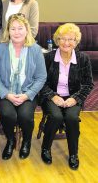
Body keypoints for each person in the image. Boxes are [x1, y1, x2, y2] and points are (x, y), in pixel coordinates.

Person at [40, 23, 93, 170]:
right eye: (63, 39)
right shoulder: (48, 58)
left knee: (71, 118)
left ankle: (73, 154)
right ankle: (45, 148)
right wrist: (52, 96)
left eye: (71, 39)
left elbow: (88, 84)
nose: (66, 43)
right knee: (56, 117)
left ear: (76, 42)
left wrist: (75, 99)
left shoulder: (83, 59)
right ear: (57, 40)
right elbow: (40, 82)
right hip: (52, 97)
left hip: (73, 97)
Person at [0, 13, 46, 160]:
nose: (16, 32)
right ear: (8, 31)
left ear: (26, 30)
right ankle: (10, 141)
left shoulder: (35, 49)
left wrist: (27, 95)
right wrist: (7, 94)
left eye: (20, 28)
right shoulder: (0, 49)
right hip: (4, 92)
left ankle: (27, 142)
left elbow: (41, 77)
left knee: (25, 116)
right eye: (13, 29)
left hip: (27, 92)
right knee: (8, 114)